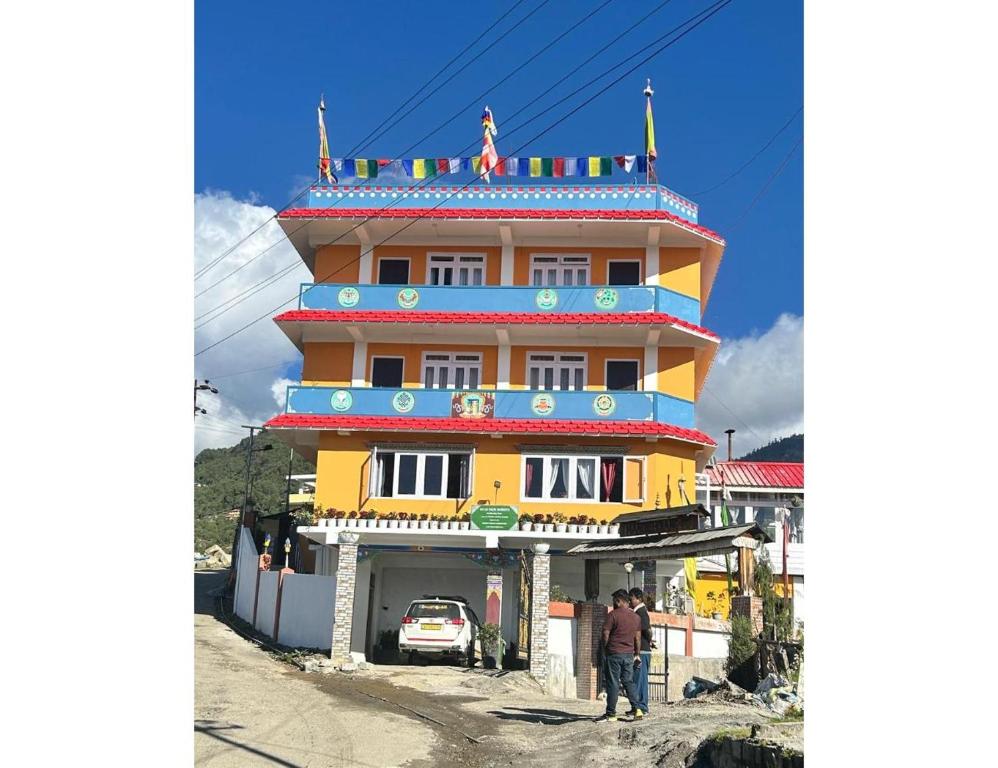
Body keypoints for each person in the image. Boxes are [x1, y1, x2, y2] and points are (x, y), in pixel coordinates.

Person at [596, 589, 642, 722]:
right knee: (628, 681)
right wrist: (636, 654)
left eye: (614, 600)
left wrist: (605, 649)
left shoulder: (613, 615)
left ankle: (611, 714)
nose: (613, 603)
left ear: (618, 601)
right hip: (628, 655)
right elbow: (638, 638)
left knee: (613, 683)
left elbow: (605, 634)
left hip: (614, 653)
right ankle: (637, 709)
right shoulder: (636, 617)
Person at [628, 587, 654, 716]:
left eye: (631, 598)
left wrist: (649, 640)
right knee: (637, 679)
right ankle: (637, 707)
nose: (630, 601)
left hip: (642, 651)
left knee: (640, 680)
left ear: (638, 598)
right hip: (642, 650)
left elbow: (647, 630)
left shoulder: (641, 612)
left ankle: (641, 707)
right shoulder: (637, 612)